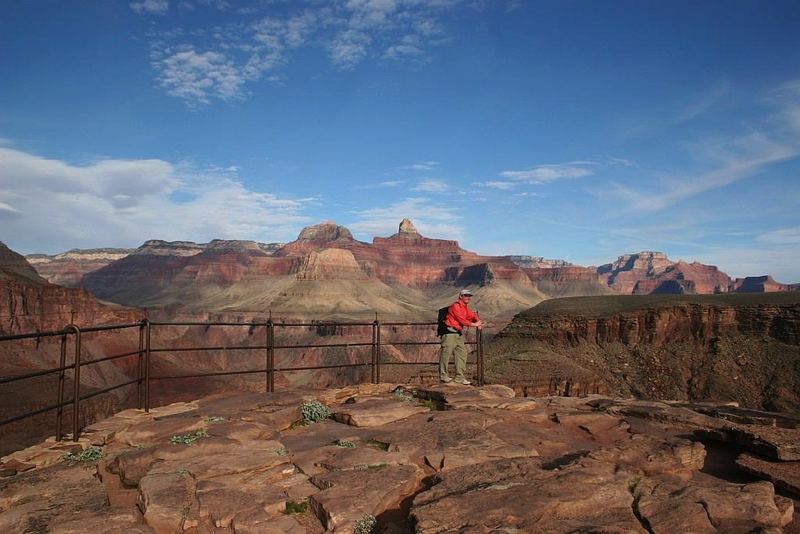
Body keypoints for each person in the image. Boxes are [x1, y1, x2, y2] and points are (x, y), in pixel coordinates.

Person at [439, 289, 483, 385]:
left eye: (469, 296)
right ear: (460, 297)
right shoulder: (455, 306)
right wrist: (475, 324)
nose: (468, 297)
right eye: (465, 295)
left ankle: (459, 377)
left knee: (462, 353)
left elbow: (473, 315)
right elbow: (462, 320)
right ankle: (443, 376)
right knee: (446, 354)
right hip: (449, 333)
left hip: (458, 334)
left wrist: (478, 321)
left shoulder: (465, 308)